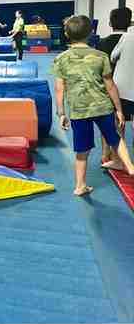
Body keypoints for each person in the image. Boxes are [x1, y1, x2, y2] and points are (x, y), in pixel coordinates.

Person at [51, 15, 134, 197]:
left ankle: (80, 186)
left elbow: (59, 88)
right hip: (102, 107)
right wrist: (119, 109)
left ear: (66, 34)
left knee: (82, 150)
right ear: (90, 33)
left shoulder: (61, 59)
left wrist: (61, 113)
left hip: (79, 110)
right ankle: (129, 166)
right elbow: (110, 85)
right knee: (115, 138)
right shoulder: (101, 56)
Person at [97, 7, 132, 162]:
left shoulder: (102, 43)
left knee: (110, 122)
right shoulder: (130, 39)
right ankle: (121, 158)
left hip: (109, 87)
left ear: (110, 23)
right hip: (128, 87)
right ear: (129, 22)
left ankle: (107, 155)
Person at [111, 14, 134, 151]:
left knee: (120, 122)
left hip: (124, 89)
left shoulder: (127, 37)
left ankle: (120, 157)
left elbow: (113, 57)